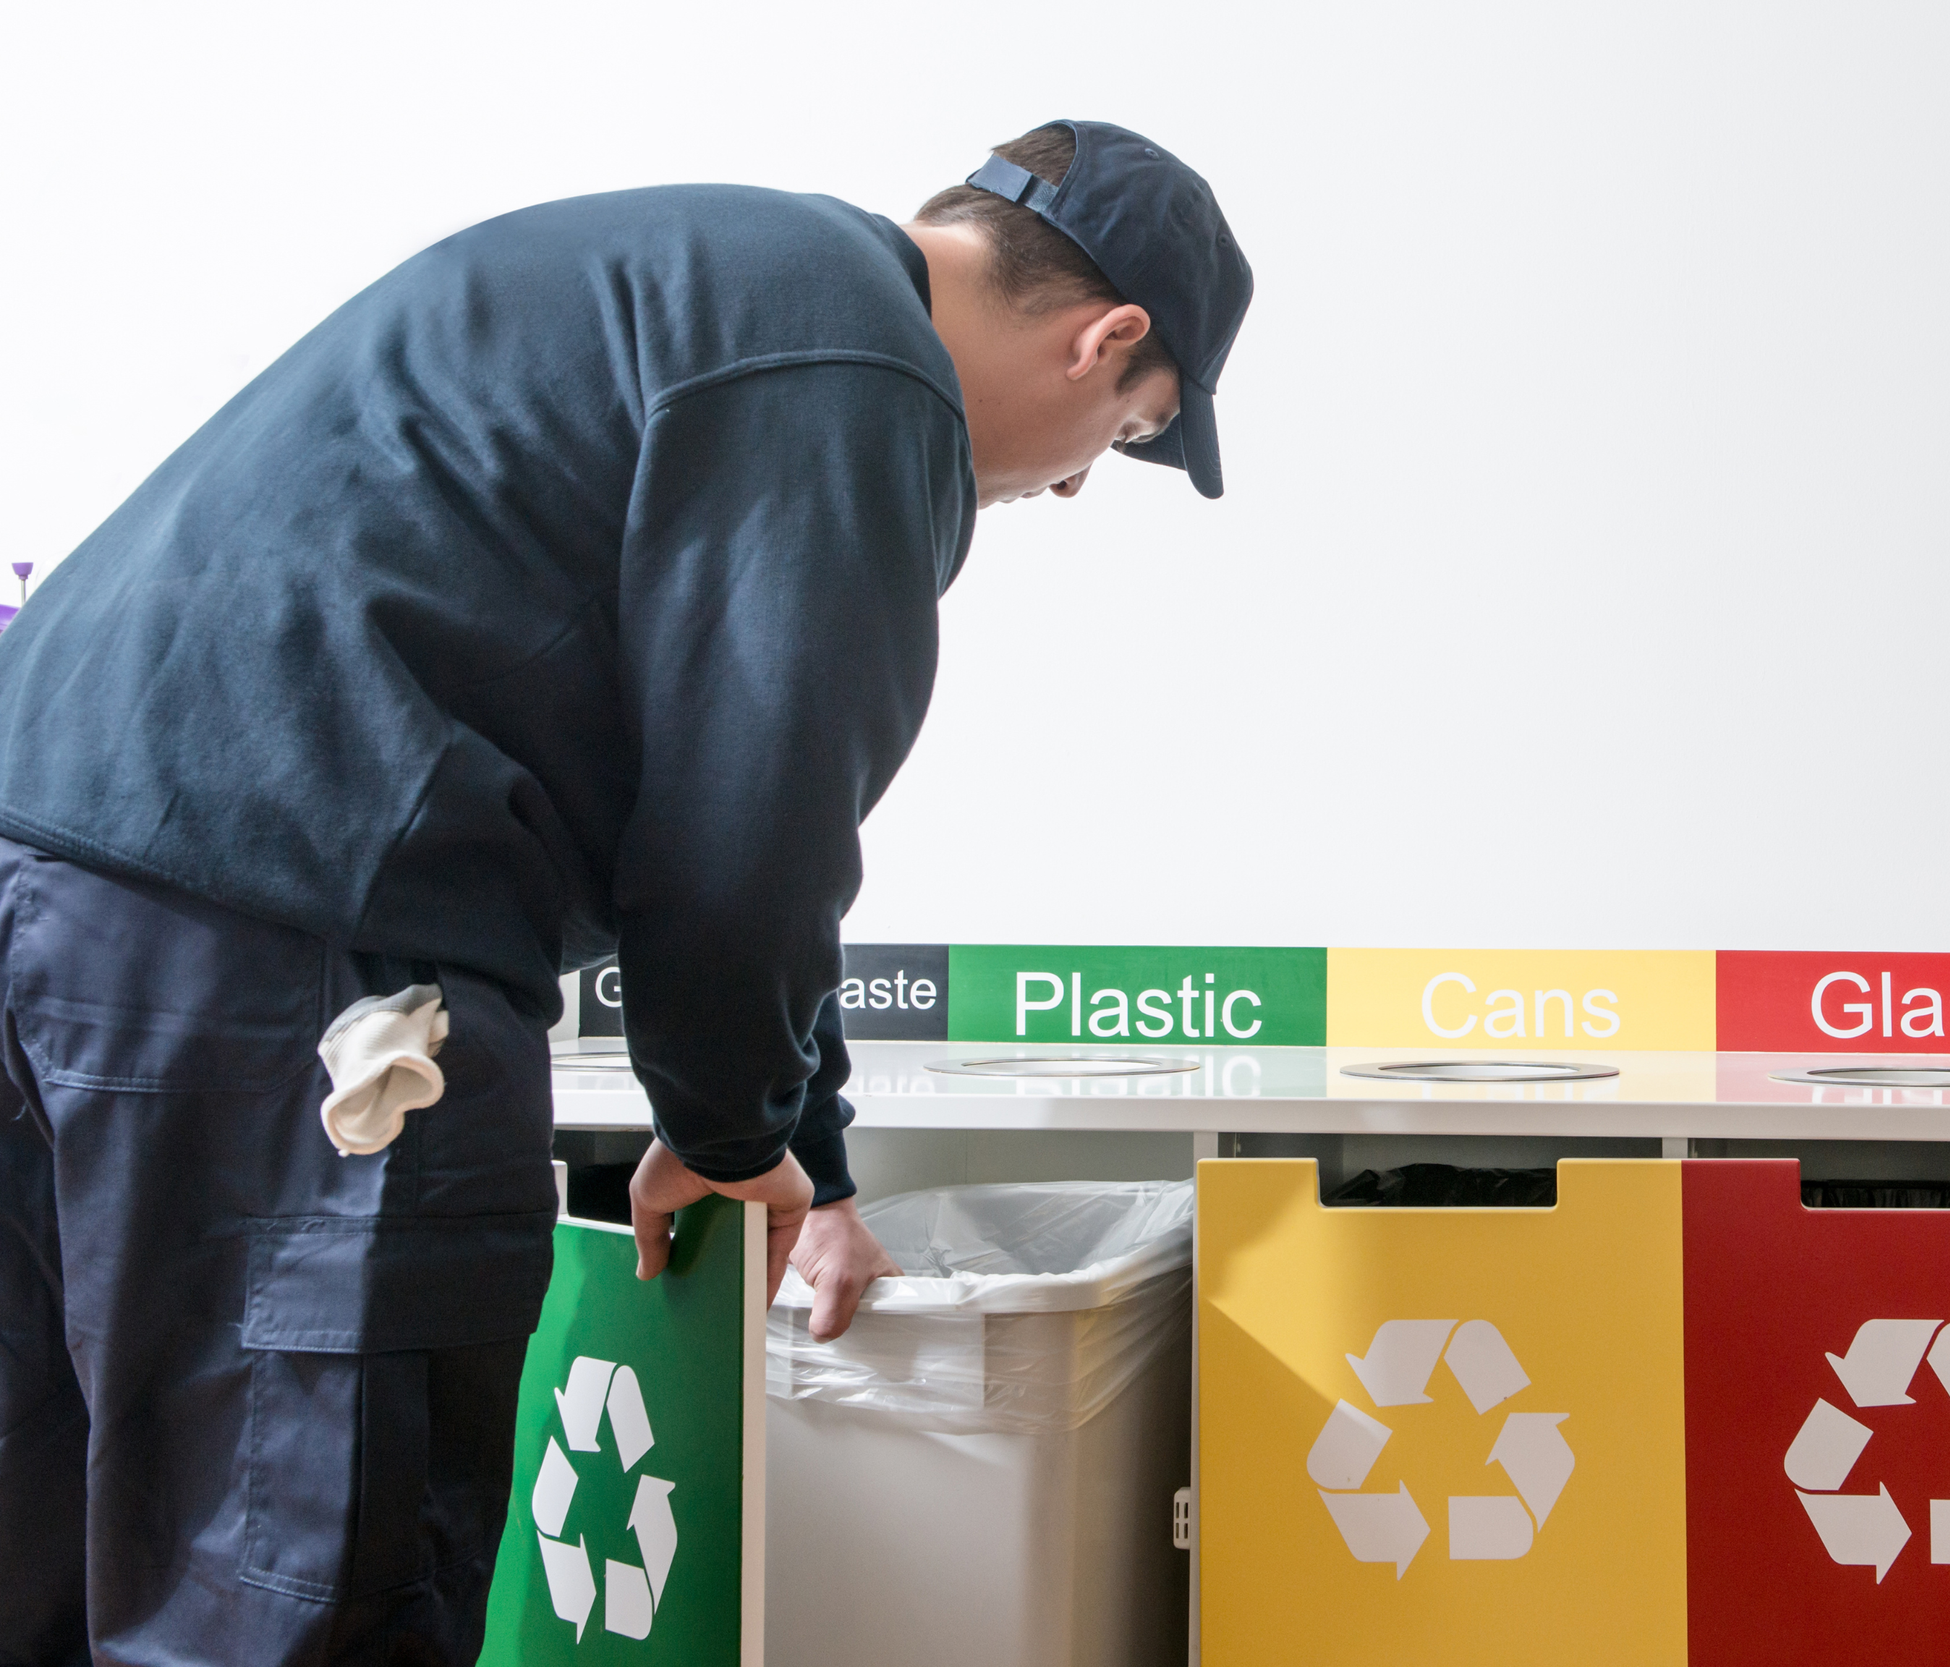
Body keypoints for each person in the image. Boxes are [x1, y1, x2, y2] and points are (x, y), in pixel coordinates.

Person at [0, 118, 1251, 1665]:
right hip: (302, 958)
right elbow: (749, 831)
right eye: (1126, 438)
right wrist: (732, 1131)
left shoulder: (722, 272)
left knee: (43, 1537)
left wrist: (805, 1152)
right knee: (296, 1585)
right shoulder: (864, 379)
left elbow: (739, 797)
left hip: (53, 894)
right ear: (1105, 340)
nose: (1067, 492)